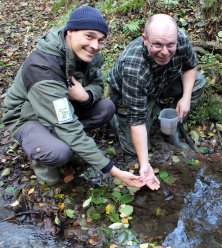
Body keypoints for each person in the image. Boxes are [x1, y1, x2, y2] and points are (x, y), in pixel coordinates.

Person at [2, 6, 154, 189]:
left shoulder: (86, 53)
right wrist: (114, 171)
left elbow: (98, 84)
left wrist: (85, 96)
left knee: (106, 107)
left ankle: (65, 141)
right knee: (59, 152)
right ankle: (42, 155)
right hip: (26, 117)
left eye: (100, 40)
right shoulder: (42, 67)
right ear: (70, 32)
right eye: (89, 36)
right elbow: (67, 124)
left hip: (61, 109)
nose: (95, 45)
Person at [107, 14, 206, 190]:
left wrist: (186, 98)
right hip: (127, 95)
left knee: (197, 81)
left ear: (176, 37)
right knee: (134, 149)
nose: (165, 51)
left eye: (170, 45)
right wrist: (145, 165)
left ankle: (171, 125)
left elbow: (190, 67)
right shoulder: (134, 66)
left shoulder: (180, 39)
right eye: (157, 45)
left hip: (161, 82)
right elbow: (137, 121)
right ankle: (117, 120)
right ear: (145, 39)